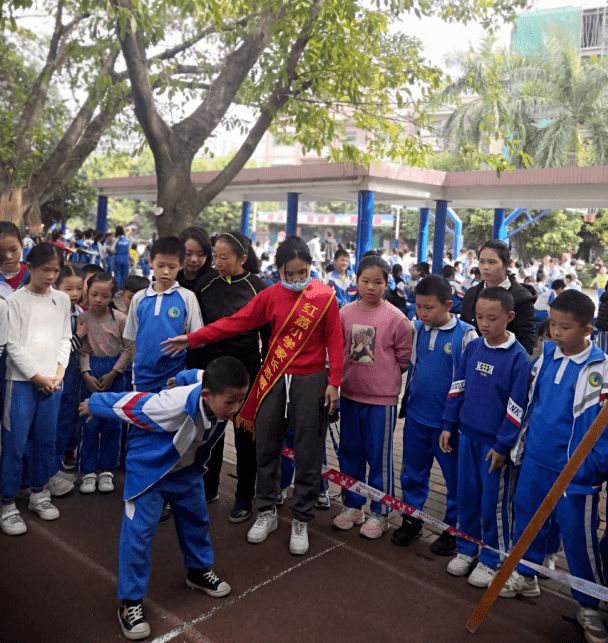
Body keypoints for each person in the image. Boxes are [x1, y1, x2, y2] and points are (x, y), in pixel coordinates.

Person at [161, 235, 342, 556]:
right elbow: (234, 322)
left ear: (311, 268)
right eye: (290, 273)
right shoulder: (270, 295)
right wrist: (193, 339)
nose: (298, 279)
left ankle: (301, 517)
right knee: (267, 445)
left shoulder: (324, 297)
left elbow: (335, 340)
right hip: (272, 380)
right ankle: (267, 509)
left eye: (303, 272)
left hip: (311, 380)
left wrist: (335, 381)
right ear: (279, 269)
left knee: (308, 449)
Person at [78, 356, 248, 641]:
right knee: (139, 534)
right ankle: (130, 603)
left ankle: (197, 571)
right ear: (207, 396)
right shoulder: (170, 406)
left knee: (196, 518)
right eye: (230, 402)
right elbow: (131, 403)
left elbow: (198, 373)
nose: (236, 408)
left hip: (184, 468)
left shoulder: (214, 387)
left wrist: (179, 377)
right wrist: (94, 404)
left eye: (241, 399)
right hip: (149, 468)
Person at [499, 290, 608, 643]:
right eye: (553, 325)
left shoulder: (601, 371)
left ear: (588, 329)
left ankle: (590, 604)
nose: (556, 333)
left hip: (576, 472)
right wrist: (518, 445)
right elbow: (532, 404)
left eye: (565, 327)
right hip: (536, 460)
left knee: (579, 536)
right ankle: (527, 574)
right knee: (528, 517)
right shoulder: (545, 358)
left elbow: (602, 428)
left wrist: (592, 466)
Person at [439, 288, 531, 587]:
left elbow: (517, 408)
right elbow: (458, 387)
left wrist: (503, 444)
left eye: (492, 318)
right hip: (466, 437)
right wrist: (447, 424)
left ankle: (492, 558)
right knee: (467, 496)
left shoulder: (518, 359)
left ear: (510, 317)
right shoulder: (473, 347)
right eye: (479, 317)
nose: (484, 323)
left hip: (494, 447)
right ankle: (466, 548)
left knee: (494, 502)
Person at [392, 275, 477, 554]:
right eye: (418, 306)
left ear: (448, 305)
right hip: (416, 416)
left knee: (454, 478)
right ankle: (411, 519)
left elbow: (470, 384)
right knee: (412, 472)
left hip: (447, 425)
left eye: (429, 307)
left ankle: (452, 530)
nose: (422, 312)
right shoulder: (417, 329)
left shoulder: (466, 335)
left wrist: (454, 422)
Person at [192, 230, 269, 523]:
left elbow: (268, 334)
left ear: (242, 259)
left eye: (224, 257)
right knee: (210, 431)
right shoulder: (205, 283)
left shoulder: (257, 287)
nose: (218, 262)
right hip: (212, 368)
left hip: (246, 369)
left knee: (245, 435)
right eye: (216, 256)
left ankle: (243, 496)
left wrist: (262, 372)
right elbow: (198, 329)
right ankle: (208, 487)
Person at [332, 255, 412, 538]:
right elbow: (337, 349)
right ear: (356, 282)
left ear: (387, 284)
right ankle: (353, 506)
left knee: (379, 458)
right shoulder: (344, 313)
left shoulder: (397, 319)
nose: (371, 287)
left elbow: (403, 359)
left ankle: (381, 513)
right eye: (365, 281)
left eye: (378, 282)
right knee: (349, 454)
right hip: (350, 395)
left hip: (381, 401)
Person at [0, 243, 71, 535]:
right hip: (20, 384)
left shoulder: (63, 300)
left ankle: (39, 493)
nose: (51, 276)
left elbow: (65, 337)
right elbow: (12, 345)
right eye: (45, 270)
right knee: (15, 443)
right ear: (30, 267)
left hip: (53, 383)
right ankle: (7, 504)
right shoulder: (14, 301)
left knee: (46, 440)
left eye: (56, 270)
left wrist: (59, 372)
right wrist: (37, 377)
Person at [76, 273, 133, 495]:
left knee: (112, 421)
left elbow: (128, 348)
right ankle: (88, 471)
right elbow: (83, 348)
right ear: (86, 292)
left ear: (113, 296)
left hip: (115, 372)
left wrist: (113, 373)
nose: (98, 299)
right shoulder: (84, 318)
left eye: (105, 295)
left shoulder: (120, 319)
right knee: (89, 421)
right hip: (91, 369)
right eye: (94, 294)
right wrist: (86, 373)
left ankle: (107, 469)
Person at [124, 236, 202, 394]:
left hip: (174, 377)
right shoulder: (139, 298)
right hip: (141, 377)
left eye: (172, 266)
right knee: (141, 416)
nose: (165, 271)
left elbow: (199, 338)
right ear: (151, 261)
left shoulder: (187, 297)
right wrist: (137, 366)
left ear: (182, 265)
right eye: (160, 265)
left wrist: (184, 344)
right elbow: (132, 338)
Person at [46, 265, 85, 498]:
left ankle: (56, 467)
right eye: (68, 288)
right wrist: (79, 337)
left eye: (79, 288)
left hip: (74, 378)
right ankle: (47, 473)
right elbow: (58, 350)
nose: (75, 293)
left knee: (66, 423)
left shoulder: (80, 312)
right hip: (55, 376)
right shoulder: (53, 312)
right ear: (56, 287)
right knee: (51, 426)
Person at [460, 240, 537, 355]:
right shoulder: (471, 293)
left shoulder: (522, 299)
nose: (485, 267)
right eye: (481, 262)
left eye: (492, 262)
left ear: (506, 265)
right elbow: (463, 330)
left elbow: (526, 343)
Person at [0, 221, 29, 295]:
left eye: (13, 250)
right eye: (1, 251)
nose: (8, 256)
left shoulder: (34, 275)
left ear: (22, 245)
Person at [109, 226, 131, 290]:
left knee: (117, 273)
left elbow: (111, 249)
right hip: (126, 257)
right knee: (125, 274)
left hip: (118, 257)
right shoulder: (127, 239)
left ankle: (117, 289)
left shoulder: (116, 239)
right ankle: (124, 288)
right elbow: (129, 250)